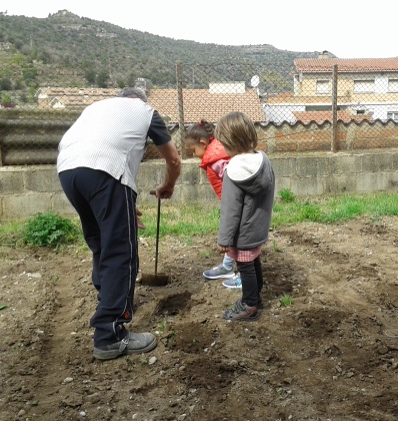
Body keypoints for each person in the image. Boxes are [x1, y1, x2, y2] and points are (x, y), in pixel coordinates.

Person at [57, 87, 181, 360]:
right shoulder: (146, 111)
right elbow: (173, 158)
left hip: (68, 170)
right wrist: (168, 185)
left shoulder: (97, 108)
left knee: (101, 242)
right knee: (121, 251)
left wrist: (123, 205)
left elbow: (101, 149)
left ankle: (108, 298)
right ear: (141, 101)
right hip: (106, 170)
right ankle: (109, 335)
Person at [215, 112, 275, 321]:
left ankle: (249, 306)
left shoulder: (233, 171)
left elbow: (230, 210)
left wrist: (224, 239)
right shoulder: (263, 161)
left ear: (230, 142)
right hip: (258, 228)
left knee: (245, 267)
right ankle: (256, 298)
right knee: (254, 261)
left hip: (243, 233)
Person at [185, 119, 241, 288]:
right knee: (234, 237)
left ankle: (244, 275)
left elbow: (235, 185)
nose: (194, 155)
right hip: (235, 204)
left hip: (238, 206)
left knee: (240, 239)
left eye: (193, 150)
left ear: (203, 143)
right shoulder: (220, 152)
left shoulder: (216, 162)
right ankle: (227, 266)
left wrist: (232, 209)